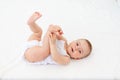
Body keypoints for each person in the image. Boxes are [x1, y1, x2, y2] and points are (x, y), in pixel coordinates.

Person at [24, 12, 92, 65]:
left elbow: (55, 57)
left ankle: (49, 30)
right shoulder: (64, 41)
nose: (76, 48)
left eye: (80, 51)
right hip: (36, 43)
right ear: (73, 41)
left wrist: (53, 44)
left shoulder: (66, 59)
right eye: (77, 44)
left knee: (46, 51)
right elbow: (58, 34)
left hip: (34, 55)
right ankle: (31, 23)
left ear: (77, 58)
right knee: (38, 33)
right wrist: (57, 30)